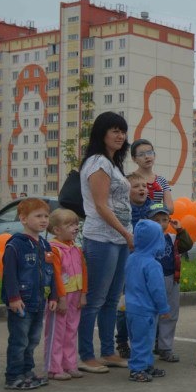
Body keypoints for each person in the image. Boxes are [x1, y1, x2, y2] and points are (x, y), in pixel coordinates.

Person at [77, 112, 132, 374]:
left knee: (111, 300)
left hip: (120, 239)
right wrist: (126, 232)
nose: (120, 136)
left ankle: (108, 351)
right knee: (96, 299)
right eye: (114, 131)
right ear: (102, 134)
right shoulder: (98, 162)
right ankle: (86, 355)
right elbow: (100, 206)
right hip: (102, 238)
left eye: (122, 131)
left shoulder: (113, 163)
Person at [1, 198, 55, 390]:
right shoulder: (15, 245)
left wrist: (53, 296)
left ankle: (27, 372)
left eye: (46, 216)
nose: (44, 220)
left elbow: (51, 272)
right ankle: (13, 376)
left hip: (39, 302)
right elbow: (9, 275)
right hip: (21, 303)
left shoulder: (45, 245)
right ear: (23, 219)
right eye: (38, 216)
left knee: (32, 340)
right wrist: (14, 298)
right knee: (19, 340)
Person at [114, 172, 155, 358]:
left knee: (146, 303)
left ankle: (143, 341)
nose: (142, 189)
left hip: (148, 264)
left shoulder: (153, 209)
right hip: (128, 263)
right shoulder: (124, 211)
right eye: (136, 186)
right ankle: (122, 341)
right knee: (125, 304)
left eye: (144, 186)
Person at [124, 218, 170, 383]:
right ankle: (137, 369)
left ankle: (146, 365)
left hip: (131, 307)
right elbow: (157, 289)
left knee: (138, 339)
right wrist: (163, 308)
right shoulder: (153, 264)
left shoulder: (131, 258)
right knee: (144, 340)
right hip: (146, 310)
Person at [146, 202, 192, 362]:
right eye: (156, 220)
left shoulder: (172, 238)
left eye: (164, 220)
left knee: (170, 314)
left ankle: (165, 347)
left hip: (171, 279)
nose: (161, 224)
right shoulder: (145, 239)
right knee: (151, 314)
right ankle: (147, 348)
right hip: (152, 281)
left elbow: (187, 245)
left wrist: (180, 229)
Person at [46, 208, 86, 381]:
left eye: (76, 224)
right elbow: (55, 275)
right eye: (69, 225)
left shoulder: (76, 249)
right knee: (57, 332)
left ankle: (70, 364)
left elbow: (84, 272)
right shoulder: (54, 250)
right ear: (56, 230)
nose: (75, 228)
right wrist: (60, 297)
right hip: (62, 297)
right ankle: (54, 368)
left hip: (75, 295)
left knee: (71, 331)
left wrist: (83, 293)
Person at [130, 139, 174, 212]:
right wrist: (159, 206)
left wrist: (152, 206)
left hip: (156, 222)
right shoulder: (129, 179)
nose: (147, 156)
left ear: (154, 155)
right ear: (134, 159)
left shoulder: (162, 180)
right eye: (141, 154)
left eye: (149, 153)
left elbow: (170, 208)